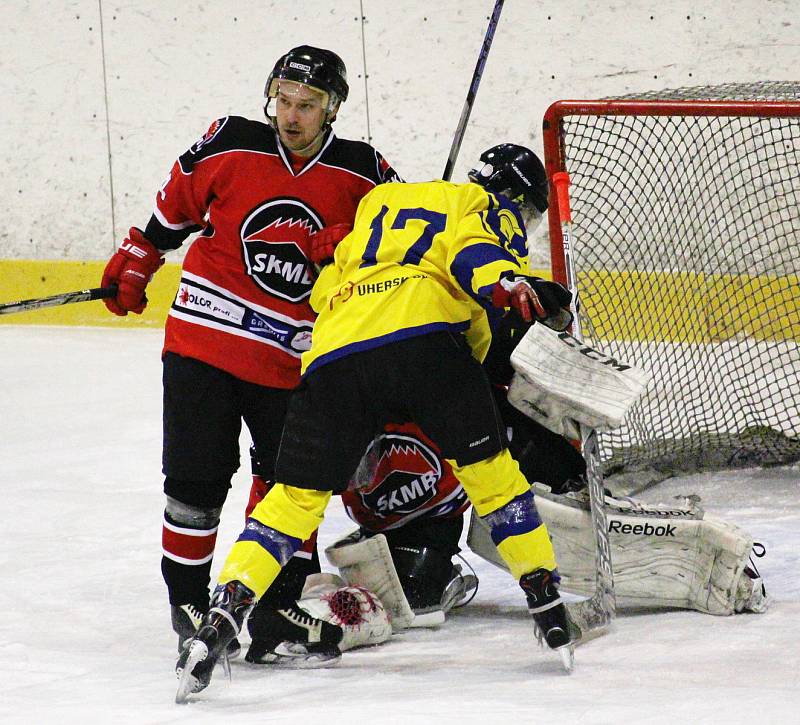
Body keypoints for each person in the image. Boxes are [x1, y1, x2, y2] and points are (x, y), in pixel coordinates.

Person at [174, 142, 578, 701]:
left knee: (291, 503)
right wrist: (509, 287)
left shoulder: (377, 204)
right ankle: (546, 599)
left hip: (335, 354)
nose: (525, 224)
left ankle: (221, 619)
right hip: (425, 346)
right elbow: (474, 258)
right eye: (528, 214)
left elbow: (326, 290)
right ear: (514, 197)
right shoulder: (482, 204)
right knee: (492, 474)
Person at [99, 45, 400, 654]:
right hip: (204, 341)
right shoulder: (230, 143)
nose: (291, 116)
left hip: (295, 361)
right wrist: (140, 254)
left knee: (293, 486)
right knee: (195, 480)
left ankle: (273, 610)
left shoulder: (364, 172)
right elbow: (172, 212)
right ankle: (187, 601)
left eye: (307, 105)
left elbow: (398, 242)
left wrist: (353, 246)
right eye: (283, 102)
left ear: (332, 108)